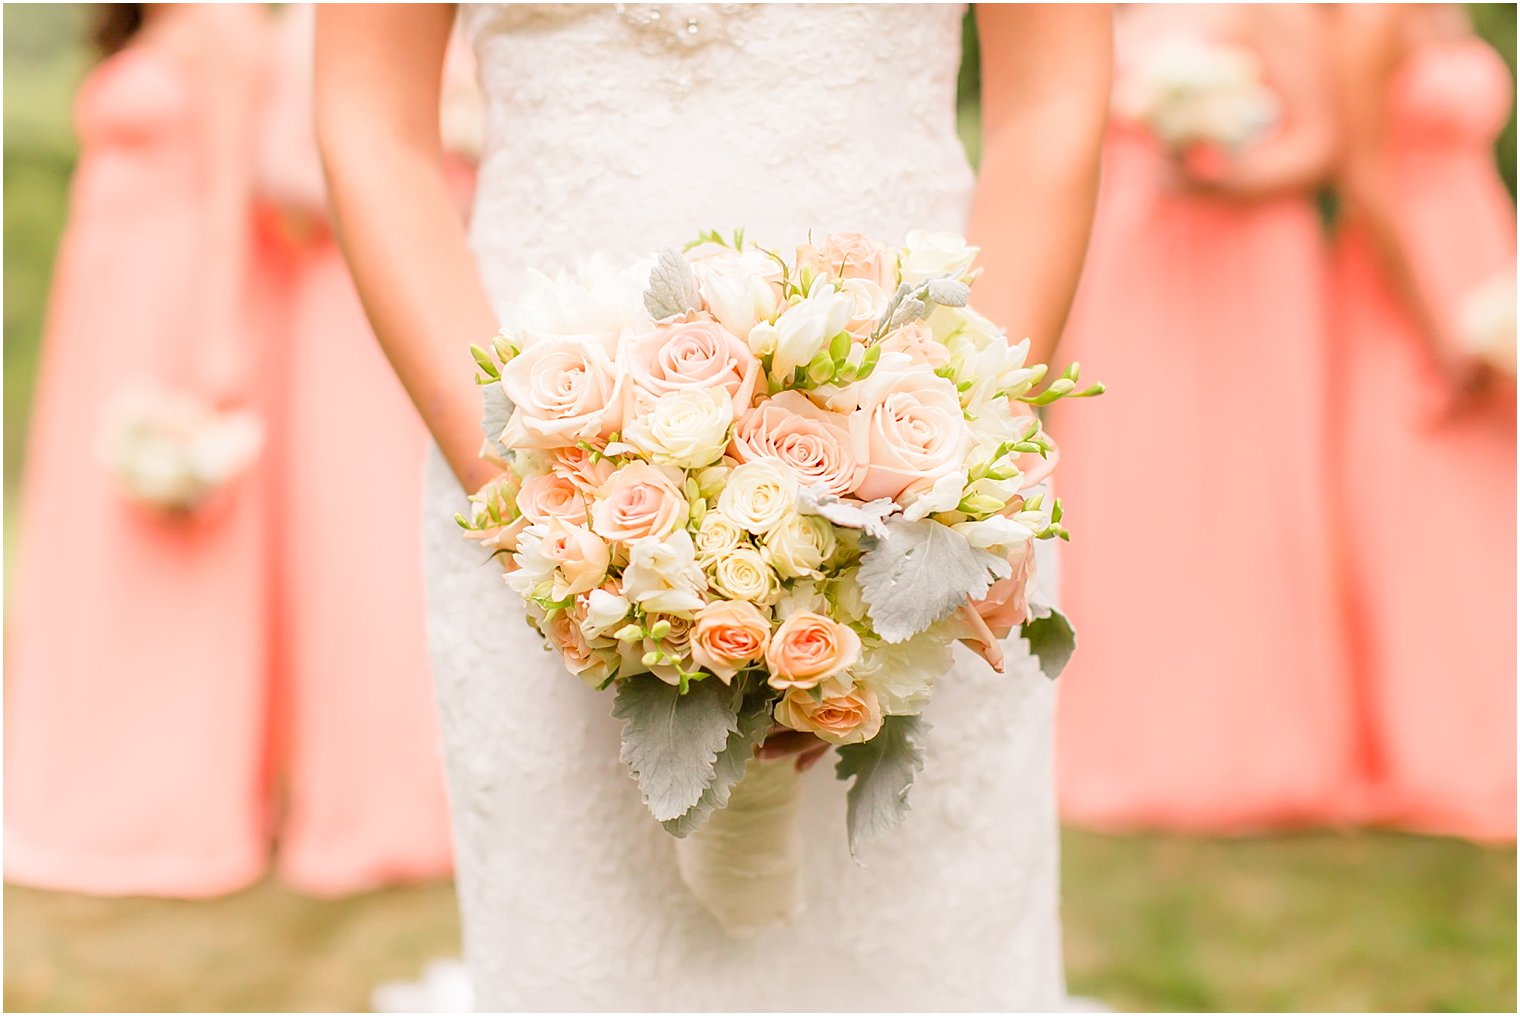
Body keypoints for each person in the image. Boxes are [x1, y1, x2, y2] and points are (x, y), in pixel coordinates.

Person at [315, 4, 1109, 1009]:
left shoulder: (941, 458)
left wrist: (957, 458)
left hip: (916, 423)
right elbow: (367, 122)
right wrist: (535, 503)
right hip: (536, 452)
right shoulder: (533, 489)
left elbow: (1052, 102)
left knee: (912, 948)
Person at [1050, 5, 1356, 831]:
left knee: (1243, 494)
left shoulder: (1274, 10)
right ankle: (1122, 736)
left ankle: (1256, 746)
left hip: (1243, 263)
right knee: (1128, 489)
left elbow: (1325, 143)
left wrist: (1225, 175)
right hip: (1133, 255)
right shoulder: (1108, 14)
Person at [6, 3, 277, 896]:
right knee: (90, 552)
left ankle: (171, 802)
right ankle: (80, 770)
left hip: (171, 298)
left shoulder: (225, 30)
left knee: (170, 555)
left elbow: (236, 183)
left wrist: (217, 338)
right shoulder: (138, 29)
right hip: (103, 301)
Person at [1328, 3, 1516, 841]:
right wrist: (1438, 328)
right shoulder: (1371, 22)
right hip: (1405, 282)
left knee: (1489, 514)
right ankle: (1431, 746)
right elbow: (1363, 178)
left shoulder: (1458, 11)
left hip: (1480, 250)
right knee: (1416, 509)